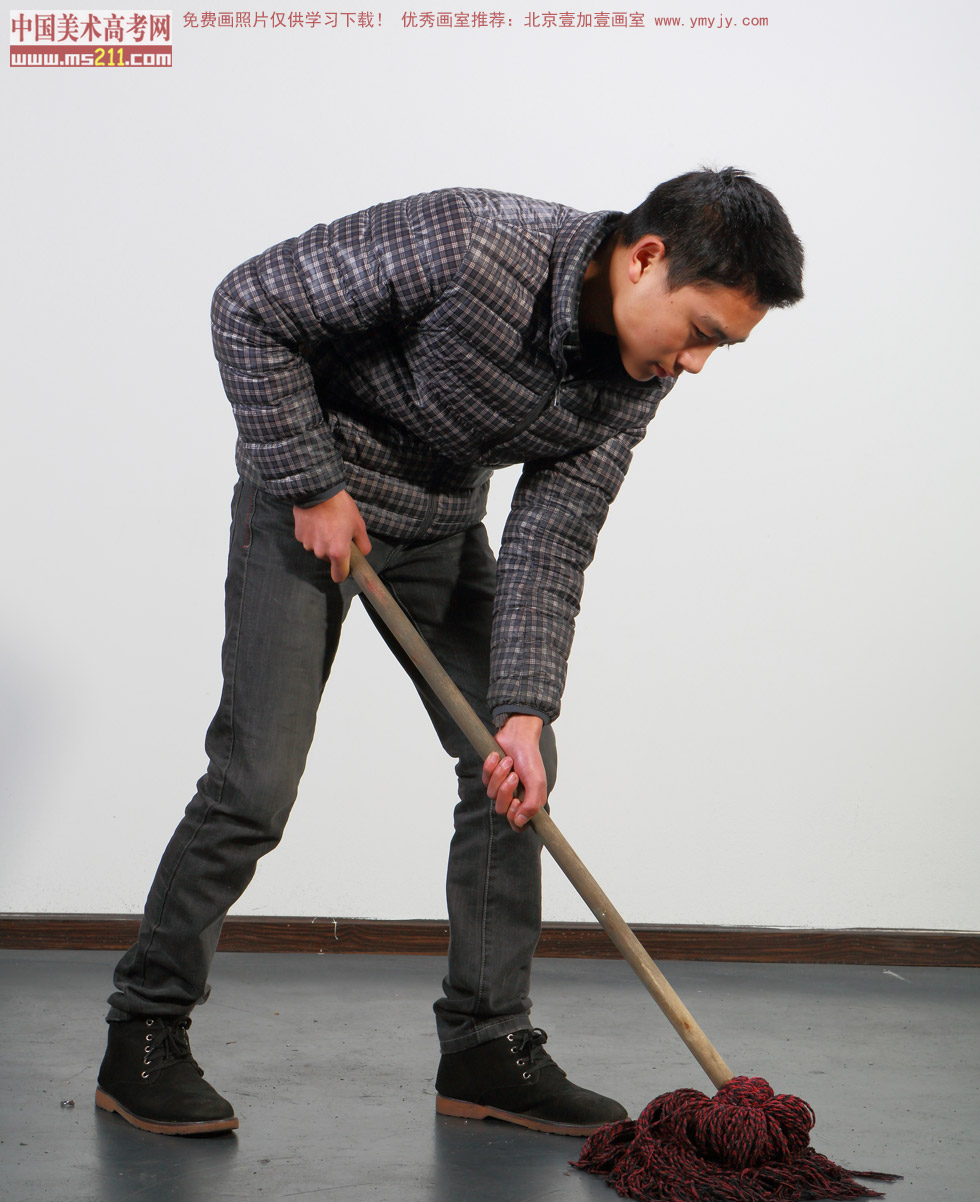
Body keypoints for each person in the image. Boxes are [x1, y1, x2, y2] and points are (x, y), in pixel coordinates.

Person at [95, 168, 804, 1138]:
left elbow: (553, 535)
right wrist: (310, 482)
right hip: (308, 509)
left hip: (434, 525)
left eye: (719, 347)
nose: (695, 365)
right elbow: (250, 306)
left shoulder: (636, 375)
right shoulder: (474, 242)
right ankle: (144, 1032)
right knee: (253, 783)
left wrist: (523, 709)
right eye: (700, 333)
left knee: (514, 771)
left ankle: (485, 1045)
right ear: (646, 260)